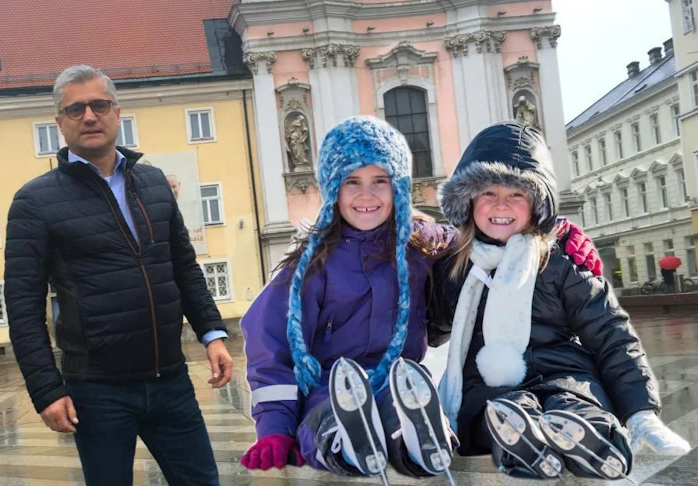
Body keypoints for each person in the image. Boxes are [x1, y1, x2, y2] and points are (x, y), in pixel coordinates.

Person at [240, 117, 601, 481]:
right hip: (332, 386)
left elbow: (486, 235)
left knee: (402, 405)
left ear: (398, 186)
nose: (367, 195)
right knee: (328, 413)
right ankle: (343, 439)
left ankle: (421, 436)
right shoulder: (312, 264)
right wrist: (274, 427)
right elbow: (269, 343)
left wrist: (552, 235)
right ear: (333, 189)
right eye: (352, 182)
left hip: (402, 381)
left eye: (380, 181)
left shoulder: (422, 242)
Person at [4, 65, 232, 486]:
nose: (89, 116)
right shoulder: (35, 202)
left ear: (117, 112)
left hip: (170, 378)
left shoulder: (154, 183)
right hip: (97, 390)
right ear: (60, 123)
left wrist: (212, 333)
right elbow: (22, 306)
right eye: (75, 109)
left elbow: (182, 266)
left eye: (99, 105)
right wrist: (46, 390)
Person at [430, 121, 690, 481]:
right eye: (489, 192)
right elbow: (433, 325)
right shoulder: (456, 265)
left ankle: (591, 436)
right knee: (497, 409)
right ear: (469, 202)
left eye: (517, 194)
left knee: (573, 399)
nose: (501, 204)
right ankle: (519, 435)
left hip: (562, 370)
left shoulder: (560, 259)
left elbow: (610, 332)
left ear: (537, 205)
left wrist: (640, 409)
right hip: (486, 383)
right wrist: (415, 262)